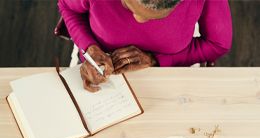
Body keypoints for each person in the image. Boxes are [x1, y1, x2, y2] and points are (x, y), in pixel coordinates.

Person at [58, 0, 232, 92]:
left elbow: (217, 44)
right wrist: (90, 48)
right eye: (129, 6)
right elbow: (67, 6)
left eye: (156, 16)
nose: (139, 20)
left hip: (170, 73)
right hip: (98, 68)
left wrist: (156, 60)